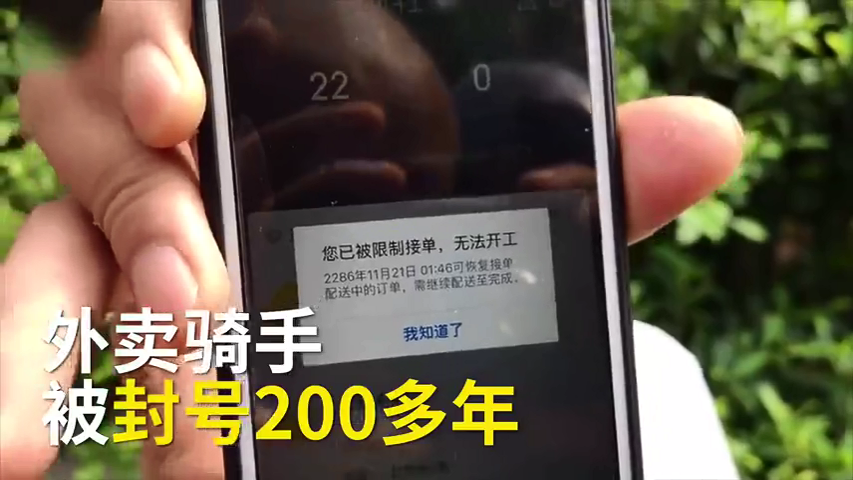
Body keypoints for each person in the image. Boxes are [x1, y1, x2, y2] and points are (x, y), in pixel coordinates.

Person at [1, 1, 742, 479]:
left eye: (427, 188)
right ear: (217, 209)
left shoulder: (650, 391)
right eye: (337, 199)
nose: (399, 227)